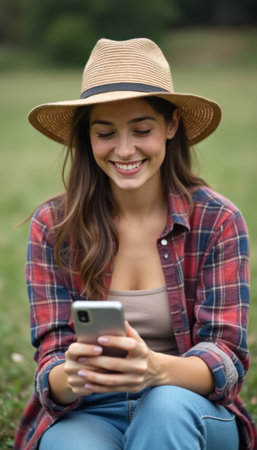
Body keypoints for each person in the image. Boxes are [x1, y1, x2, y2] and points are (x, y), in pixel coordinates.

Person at [14, 38, 257, 450]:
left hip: (187, 403)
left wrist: (155, 370)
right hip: (90, 409)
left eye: (142, 130)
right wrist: (71, 373)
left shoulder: (217, 220)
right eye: (104, 133)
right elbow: (51, 362)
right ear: (86, 138)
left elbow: (227, 357)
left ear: (172, 125)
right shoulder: (53, 227)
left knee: (163, 410)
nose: (124, 150)